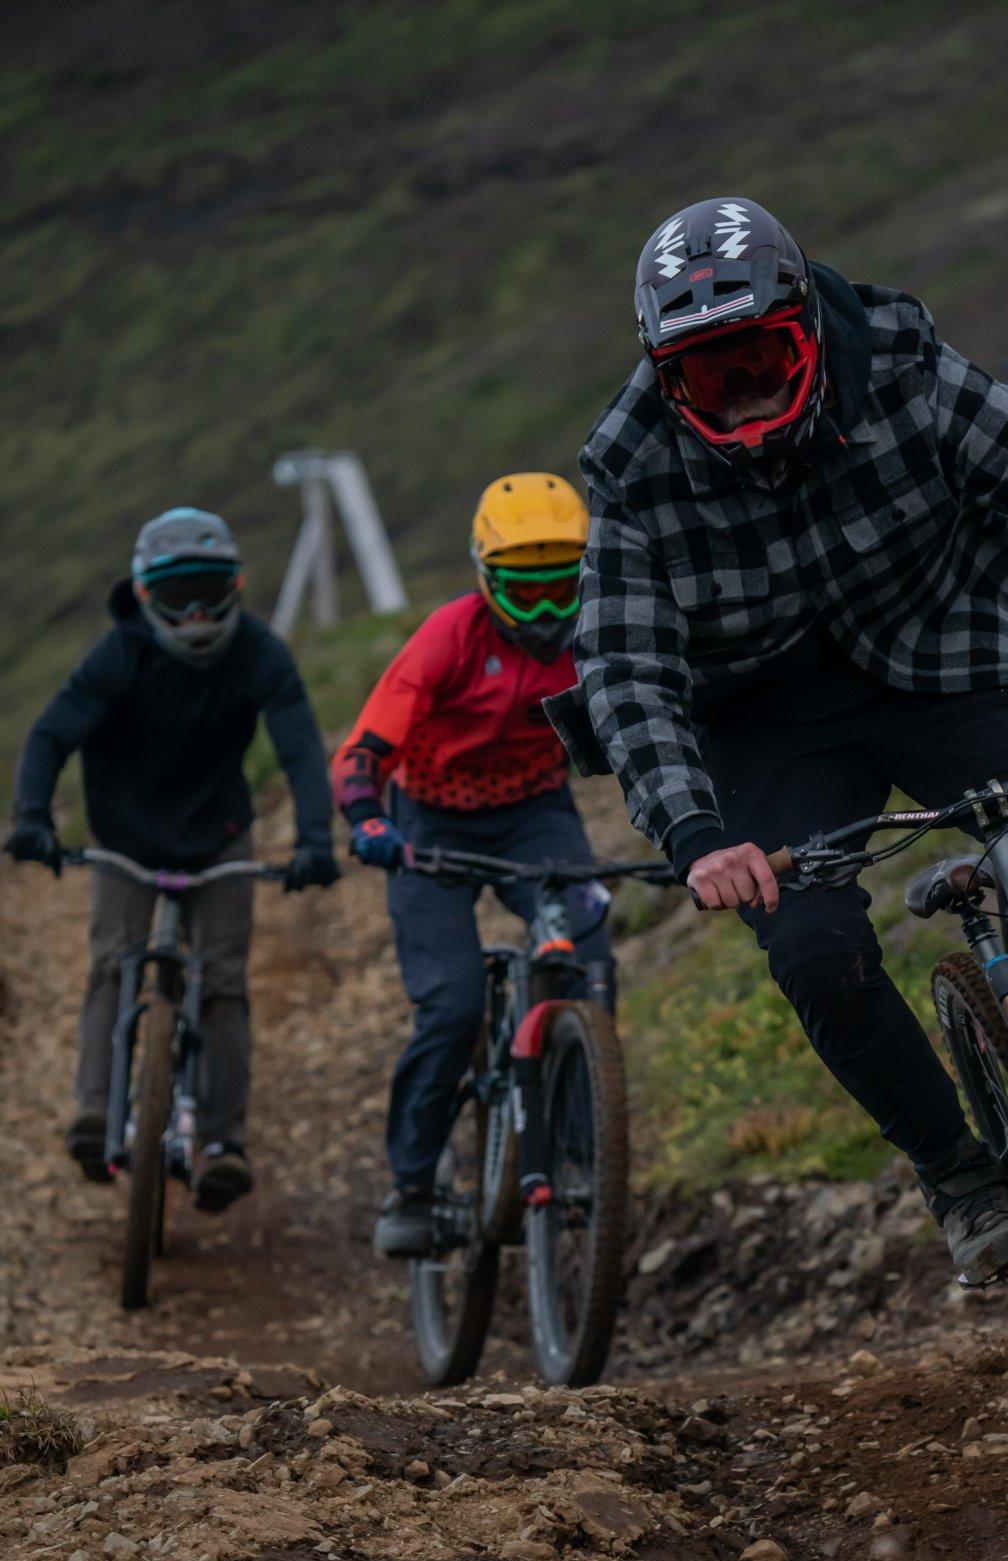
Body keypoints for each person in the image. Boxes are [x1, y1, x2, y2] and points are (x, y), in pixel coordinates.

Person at [549, 196, 1008, 1282]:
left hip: (957, 656)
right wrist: (697, 833)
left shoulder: (901, 359)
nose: (745, 389)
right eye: (713, 375)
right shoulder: (630, 466)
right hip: (771, 718)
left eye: (759, 354)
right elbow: (626, 668)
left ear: (805, 326)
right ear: (669, 380)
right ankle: (962, 1175)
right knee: (813, 947)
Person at [5, 506, 339, 1212]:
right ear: (144, 593)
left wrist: (316, 840)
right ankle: (95, 1113)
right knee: (110, 965)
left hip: (218, 832)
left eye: (209, 594)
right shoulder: (116, 654)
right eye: (176, 596)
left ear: (237, 587)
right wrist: (31, 817)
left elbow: (303, 749)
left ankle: (222, 1143)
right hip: (125, 836)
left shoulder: (260, 653)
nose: (194, 615)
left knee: (221, 981)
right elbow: (48, 736)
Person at [335, 471, 614, 1258]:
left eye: (563, 588)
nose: (546, 612)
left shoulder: (599, 629)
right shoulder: (448, 636)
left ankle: (590, 1150)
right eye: (522, 593)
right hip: (429, 824)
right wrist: (367, 818)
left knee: (590, 963)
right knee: (452, 1007)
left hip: (535, 818)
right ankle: (413, 1185)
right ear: (483, 577)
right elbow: (362, 749)